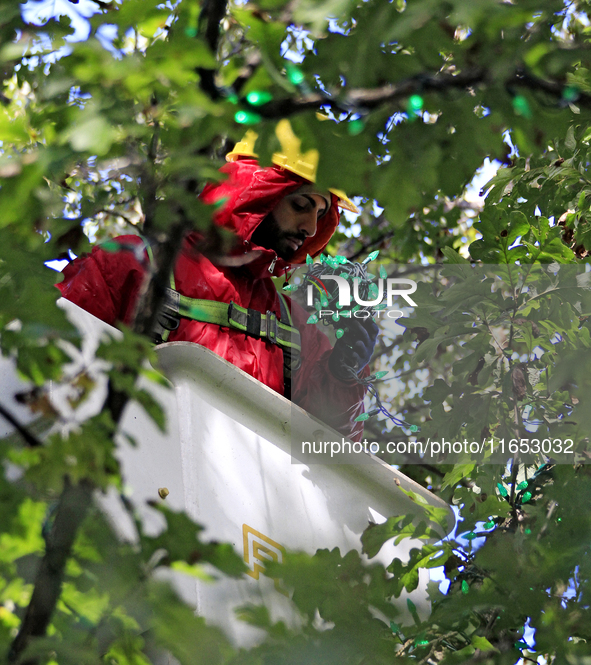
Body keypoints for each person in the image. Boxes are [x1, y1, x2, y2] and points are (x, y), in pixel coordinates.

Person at [56, 122, 378, 438]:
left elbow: (327, 452)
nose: (310, 227)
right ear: (259, 191)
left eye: (321, 215)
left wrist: (342, 377)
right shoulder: (131, 265)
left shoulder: (295, 325)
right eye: (301, 205)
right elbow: (52, 365)